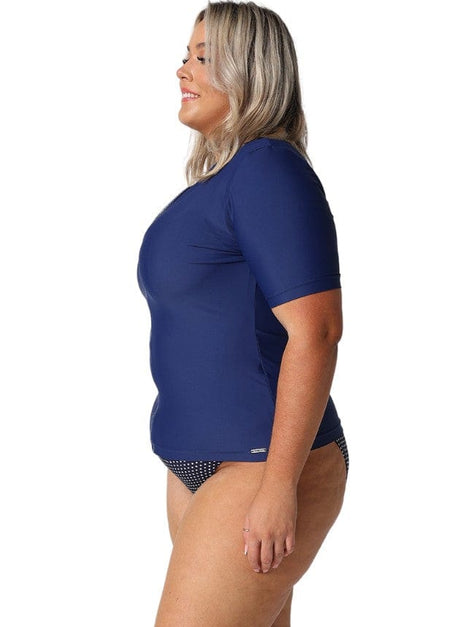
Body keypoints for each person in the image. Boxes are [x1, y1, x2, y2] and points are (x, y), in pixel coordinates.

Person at [137, 2, 349, 625]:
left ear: (251, 71)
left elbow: (317, 331)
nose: (183, 70)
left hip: (259, 462)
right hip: (198, 460)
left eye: (204, 58)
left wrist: (279, 485)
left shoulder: (268, 170)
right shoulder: (223, 181)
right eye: (185, 55)